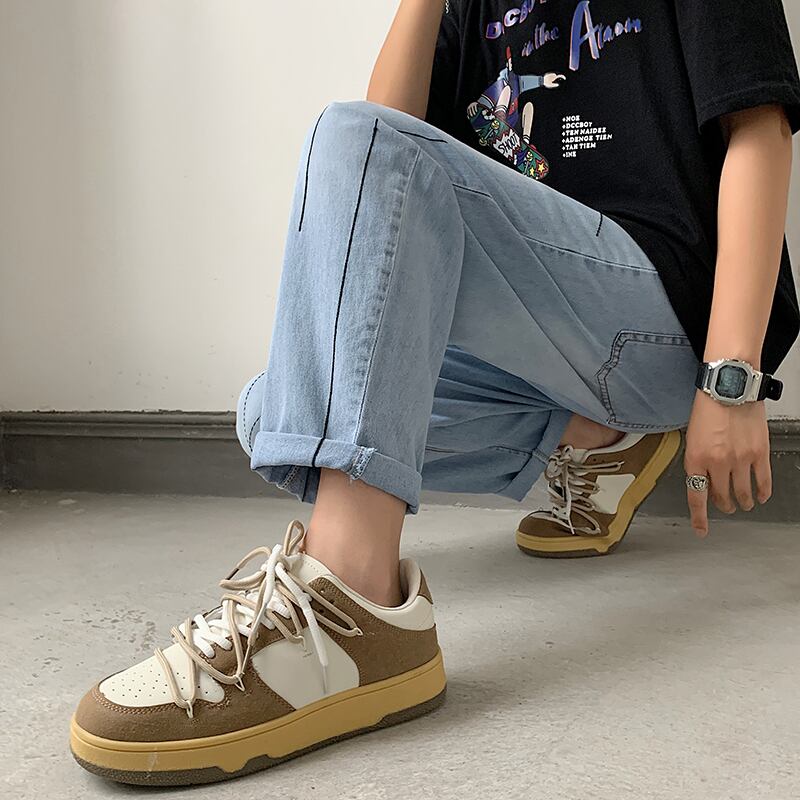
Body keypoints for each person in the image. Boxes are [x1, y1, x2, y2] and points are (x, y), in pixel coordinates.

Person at [70, 0, 800, 785]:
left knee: (357, 140)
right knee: (270, 409)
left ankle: (352, 598)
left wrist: (731, 379)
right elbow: (378, 206)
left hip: (664, 324)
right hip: (548, 343)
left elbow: (759, 130)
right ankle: (599, 438)